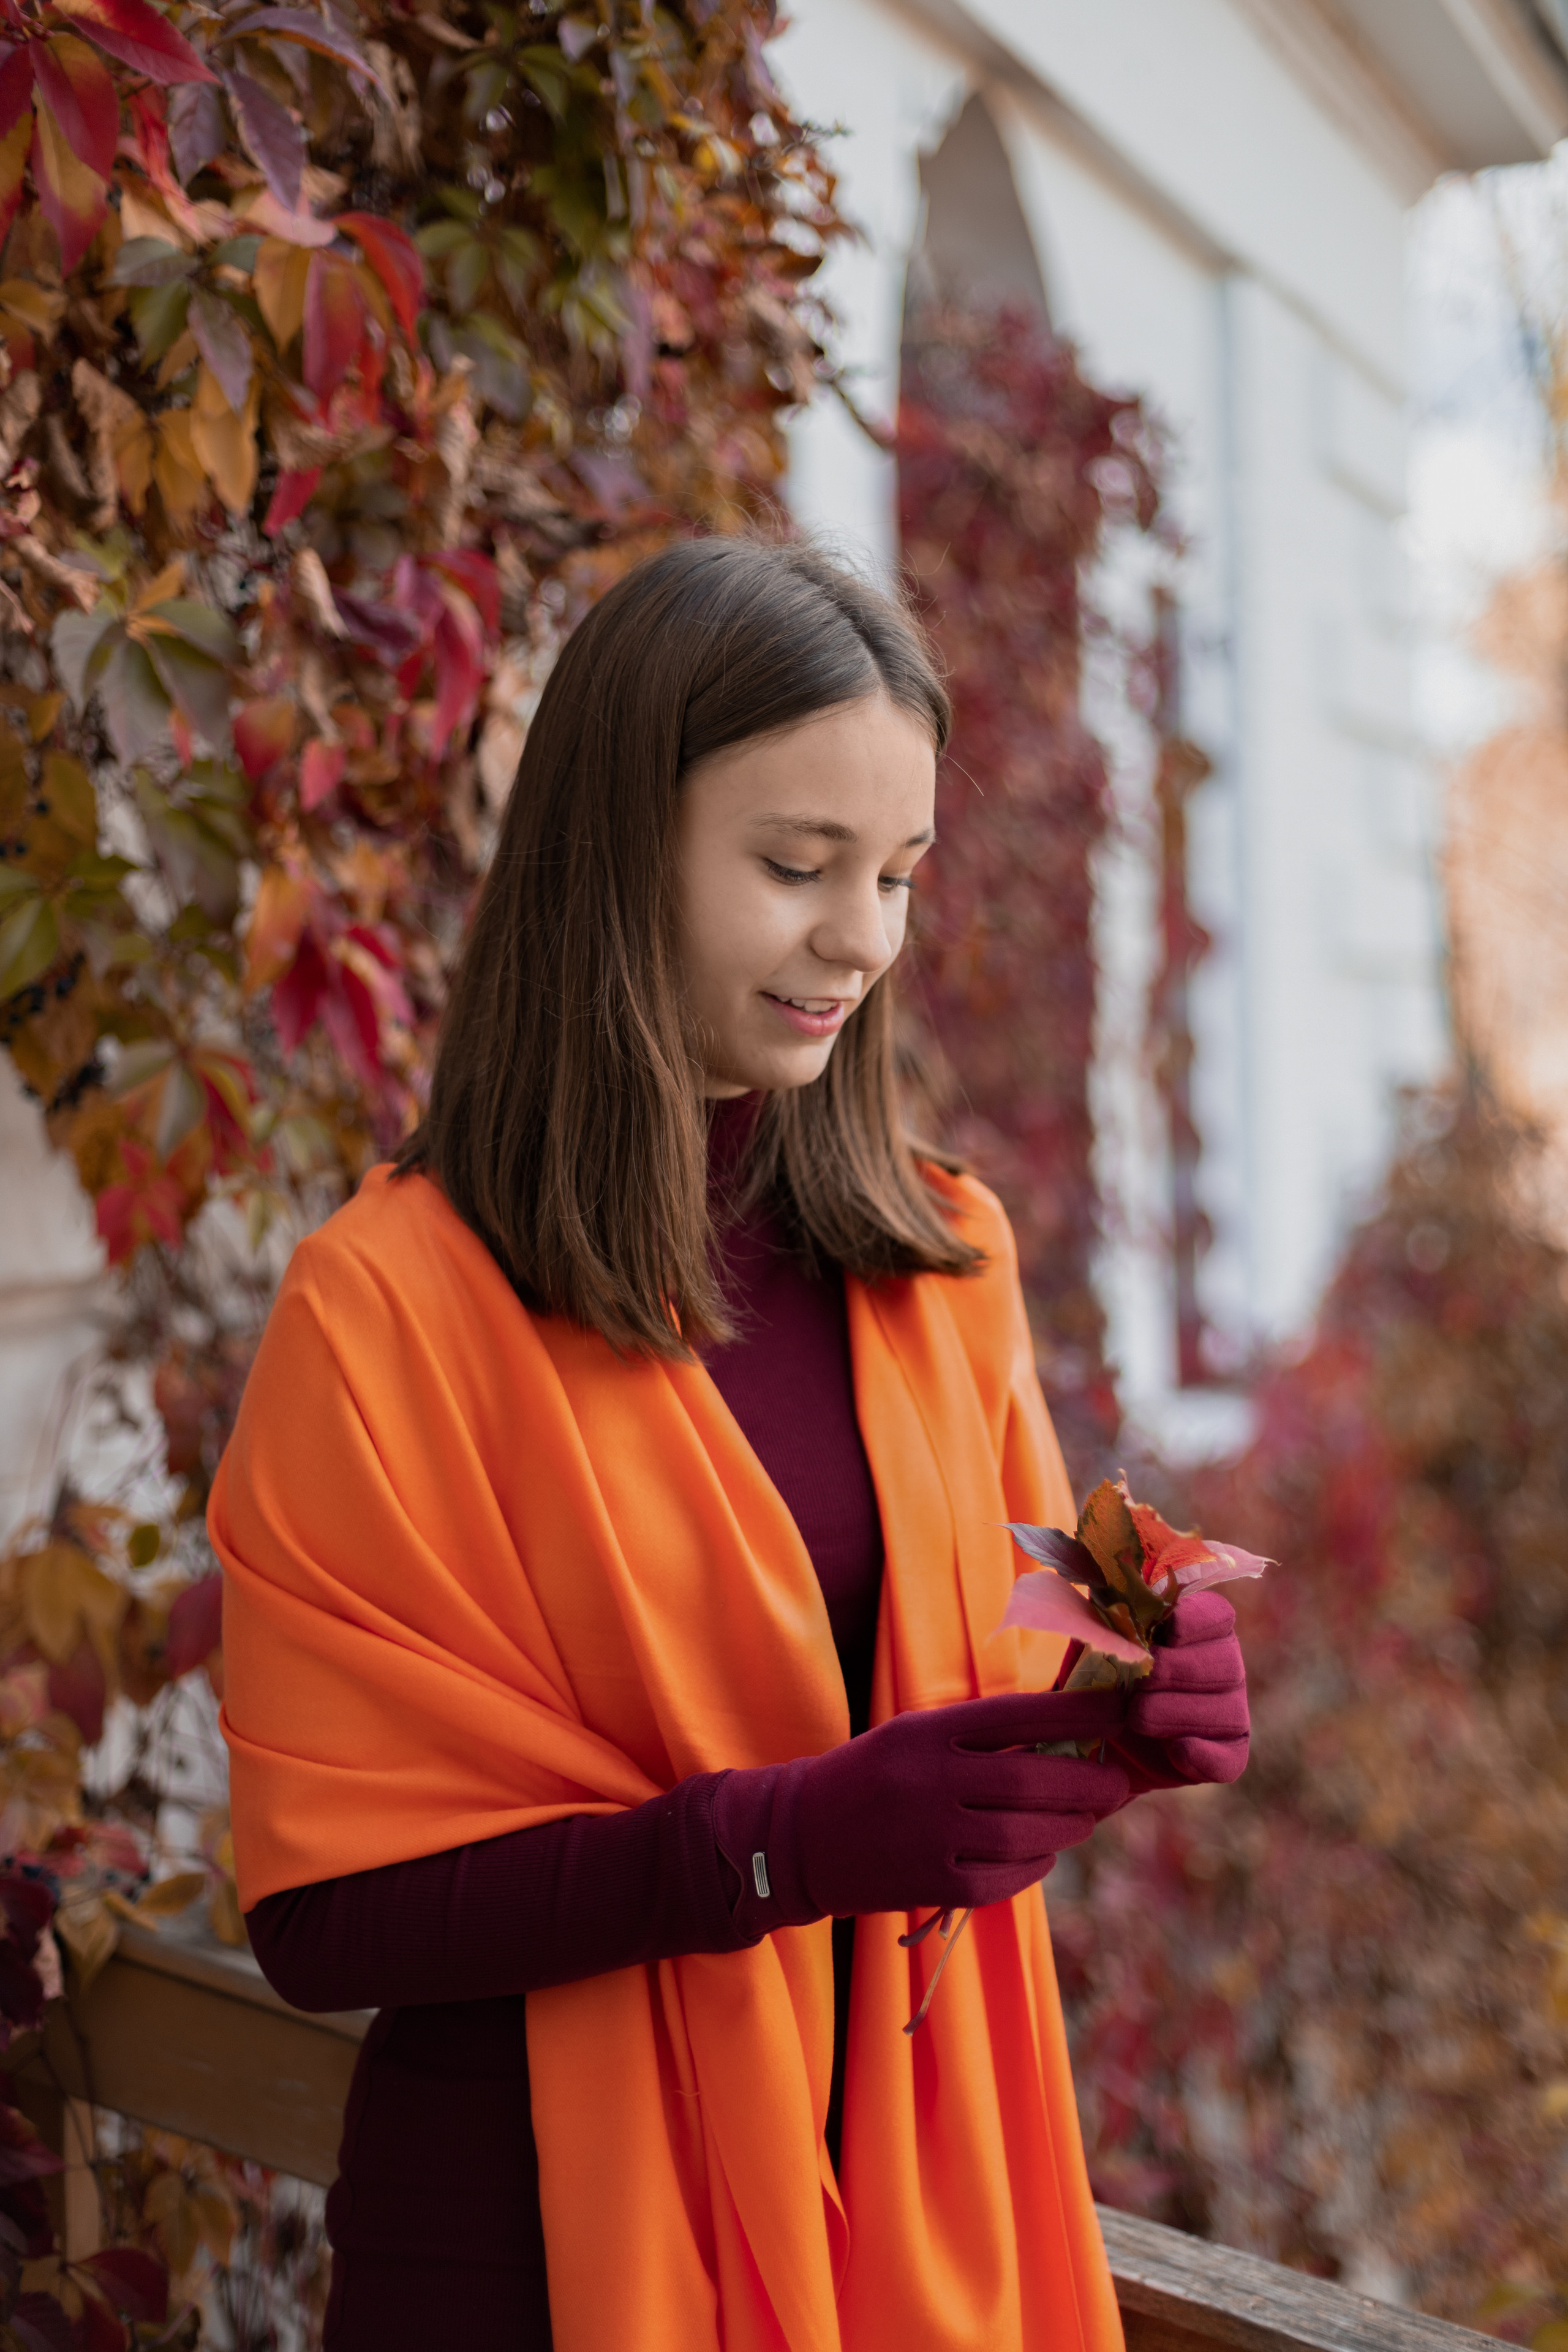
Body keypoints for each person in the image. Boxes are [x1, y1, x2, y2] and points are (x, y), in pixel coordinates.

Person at [211, 538, 1250, 2352]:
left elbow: (953, 1725)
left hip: (918, 2205)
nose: (865, 937)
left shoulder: (944, 1258)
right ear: (618, 848)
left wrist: (1126, 1705)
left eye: (898, 874)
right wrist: (778, 1847)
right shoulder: (388, 1306)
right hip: (532, 2246)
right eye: (797, 866)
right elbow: (327, 1918)